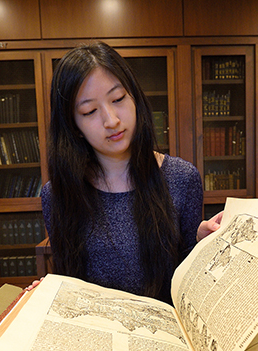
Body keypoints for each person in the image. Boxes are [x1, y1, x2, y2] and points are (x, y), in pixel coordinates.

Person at [41, 41, 221, 303]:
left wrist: (201, 245)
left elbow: (187, 281)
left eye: (118, 99)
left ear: (134, 96)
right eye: (90, 111)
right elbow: (68, 282)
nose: (111, 120)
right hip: (97, 335)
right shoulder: (58, 194)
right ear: (74, 125)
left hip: (167, 335)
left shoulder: (182, 179)